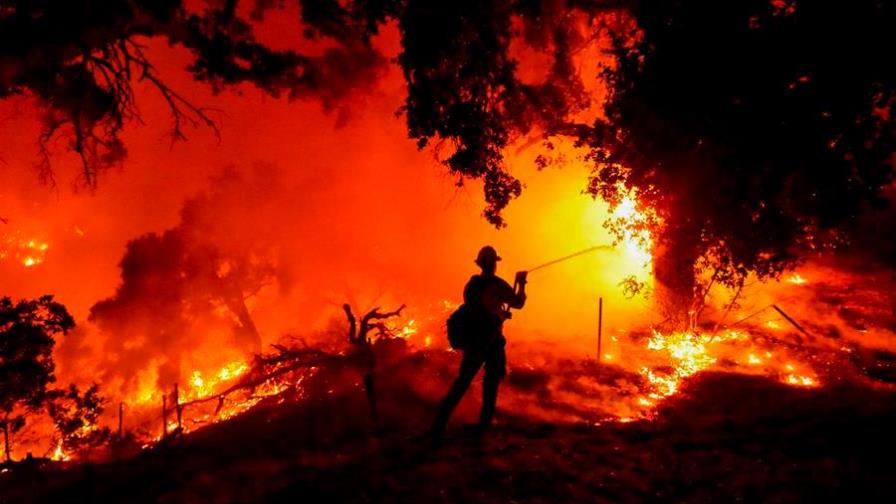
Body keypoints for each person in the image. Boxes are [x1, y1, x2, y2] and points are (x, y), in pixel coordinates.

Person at [431, 245, 527, 439]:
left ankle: (439, 425)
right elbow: (518, 303)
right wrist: (522, 283)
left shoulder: (471, 285)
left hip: (474, 340)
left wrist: (500, 313)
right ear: (493, 264)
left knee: (462, 382)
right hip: (491, 341)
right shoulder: (496, 284)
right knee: (491, 382)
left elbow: (481, 308)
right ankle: (483, 426)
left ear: (480, 263)